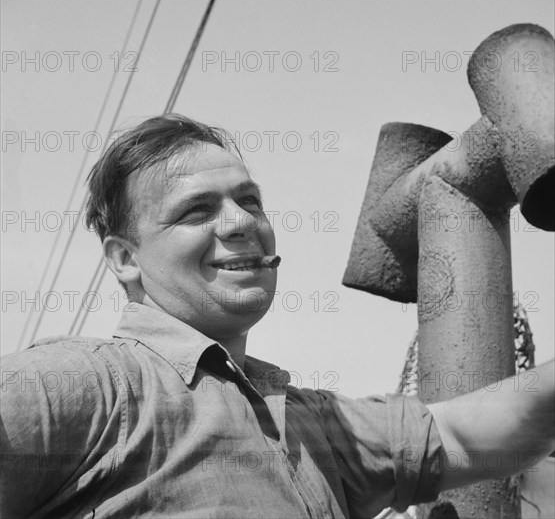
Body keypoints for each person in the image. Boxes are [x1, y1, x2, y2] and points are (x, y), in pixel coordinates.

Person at [1, 114, 553, 518]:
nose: (242, 223)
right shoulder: (89, 386)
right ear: (125, 259)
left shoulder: (312, 423)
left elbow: (461, 435)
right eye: (197, 211)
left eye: (251, 201)